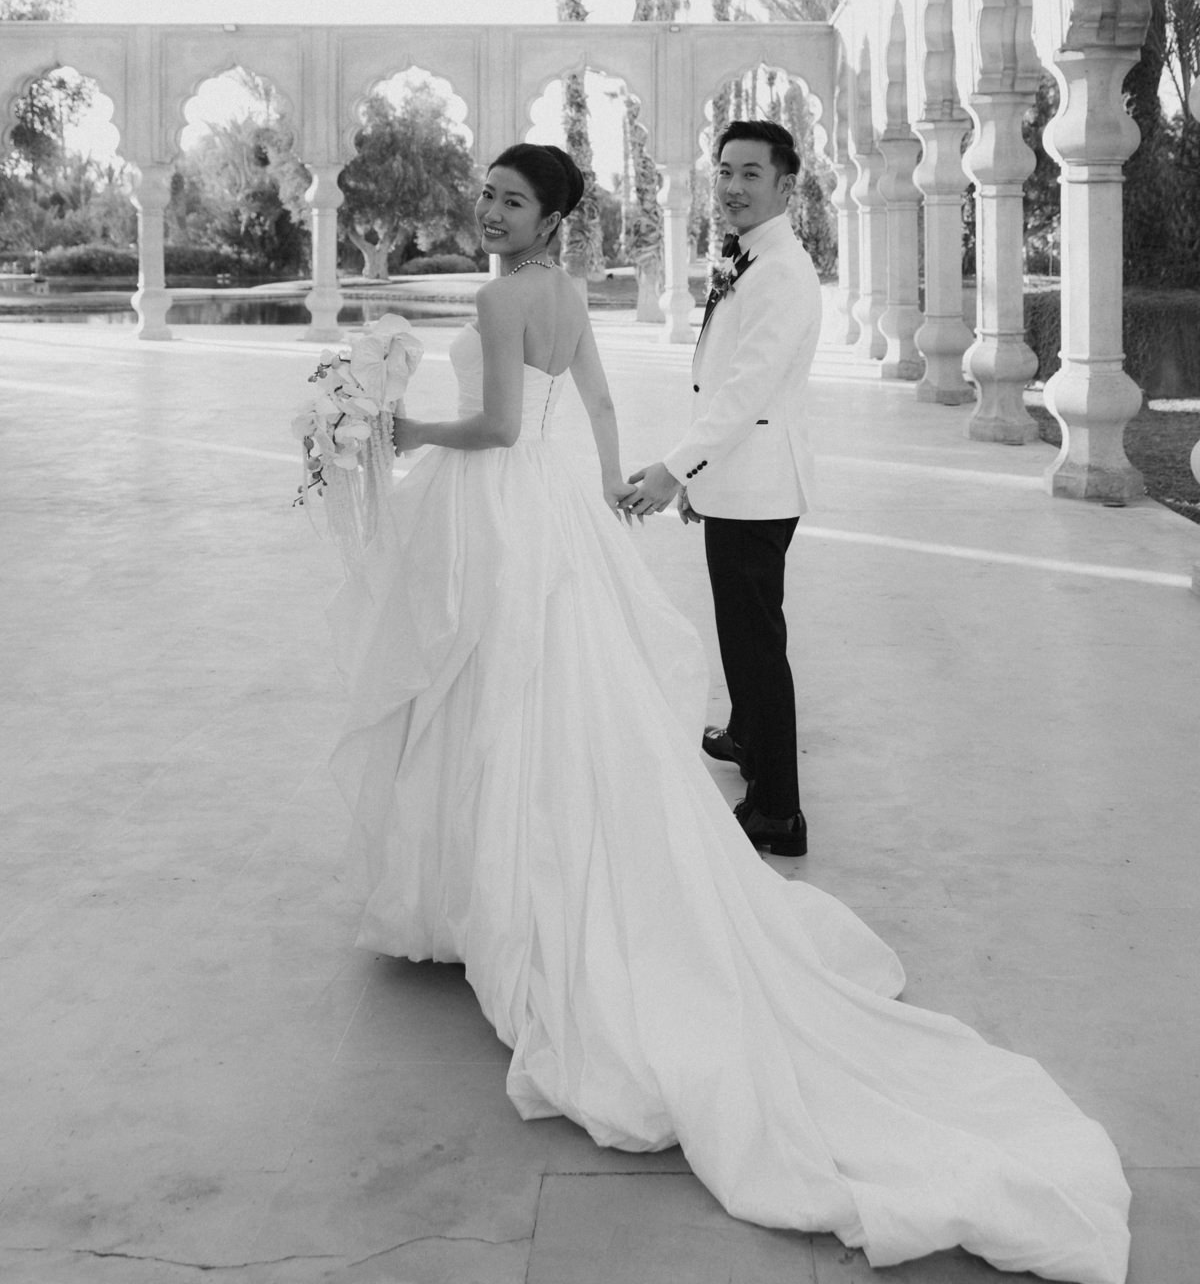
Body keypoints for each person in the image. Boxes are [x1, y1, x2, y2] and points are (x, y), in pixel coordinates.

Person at [328, 141, 1130, 1284]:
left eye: (510, 198)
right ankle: (528, 865)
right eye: (488, 194)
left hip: (518, 504)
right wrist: (605, 497)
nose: (489, 210)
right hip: (556, 511)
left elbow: (505, 428)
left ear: (551, 217)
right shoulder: (559, 293)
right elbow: (594, 402)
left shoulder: (516, 295)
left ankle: (531, 880)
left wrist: (406, 432)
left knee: (506, 688)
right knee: (549, 688)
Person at [625, 120, 822, 859]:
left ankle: (777, 811)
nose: (734, 187)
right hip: (739, 480)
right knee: (744, 633)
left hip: (757, 487)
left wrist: (675, 468)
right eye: (725, 172)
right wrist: (699, 476)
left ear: (784, 184)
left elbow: (745, 393)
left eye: (750, 174)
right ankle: (747, 738)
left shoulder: (780, 273)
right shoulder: (755, 260)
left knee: (756, 646)